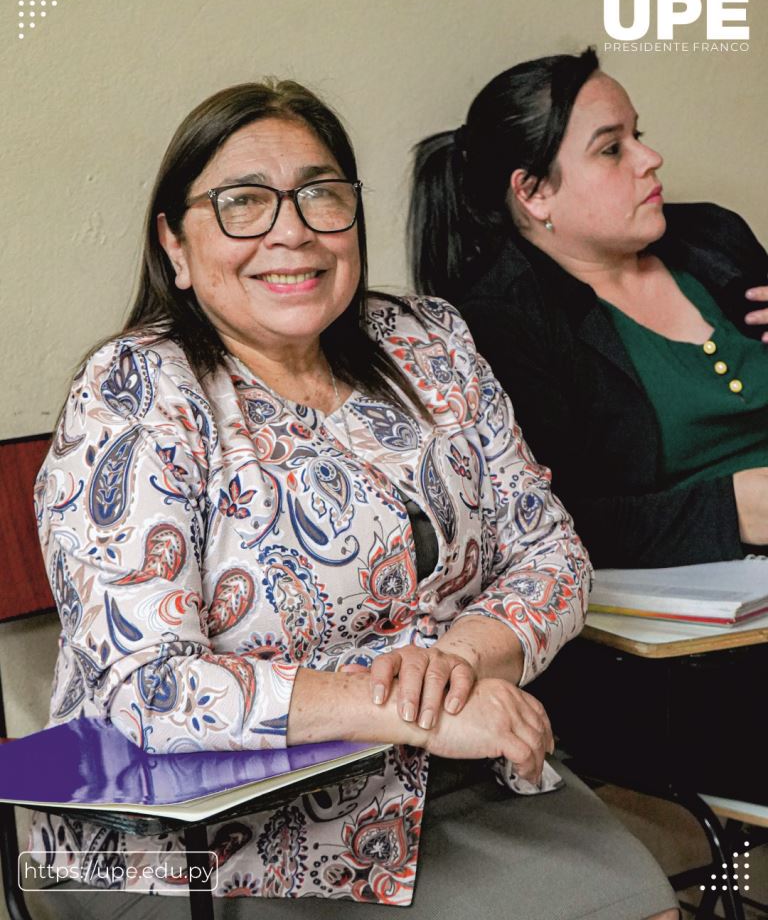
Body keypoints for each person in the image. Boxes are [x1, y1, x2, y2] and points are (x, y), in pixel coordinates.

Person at [31, 79, 678, 919]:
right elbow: (147, 692)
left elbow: (550, 551)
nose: (292, 229)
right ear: (176, 246)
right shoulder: (134, 391)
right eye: (242, 203)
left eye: (322, 195)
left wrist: (457, 667)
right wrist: (402, 711)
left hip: (454, 766)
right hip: (201, 832)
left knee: (641, 907)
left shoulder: (428, 340)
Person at [409, 47, 768, 569]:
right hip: (707, 596)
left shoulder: (714, 237)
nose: (650, 159)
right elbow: (541, 522)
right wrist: (736, 510)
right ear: (533, 193)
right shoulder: (504, 321)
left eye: (637, 137)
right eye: (611, 150)